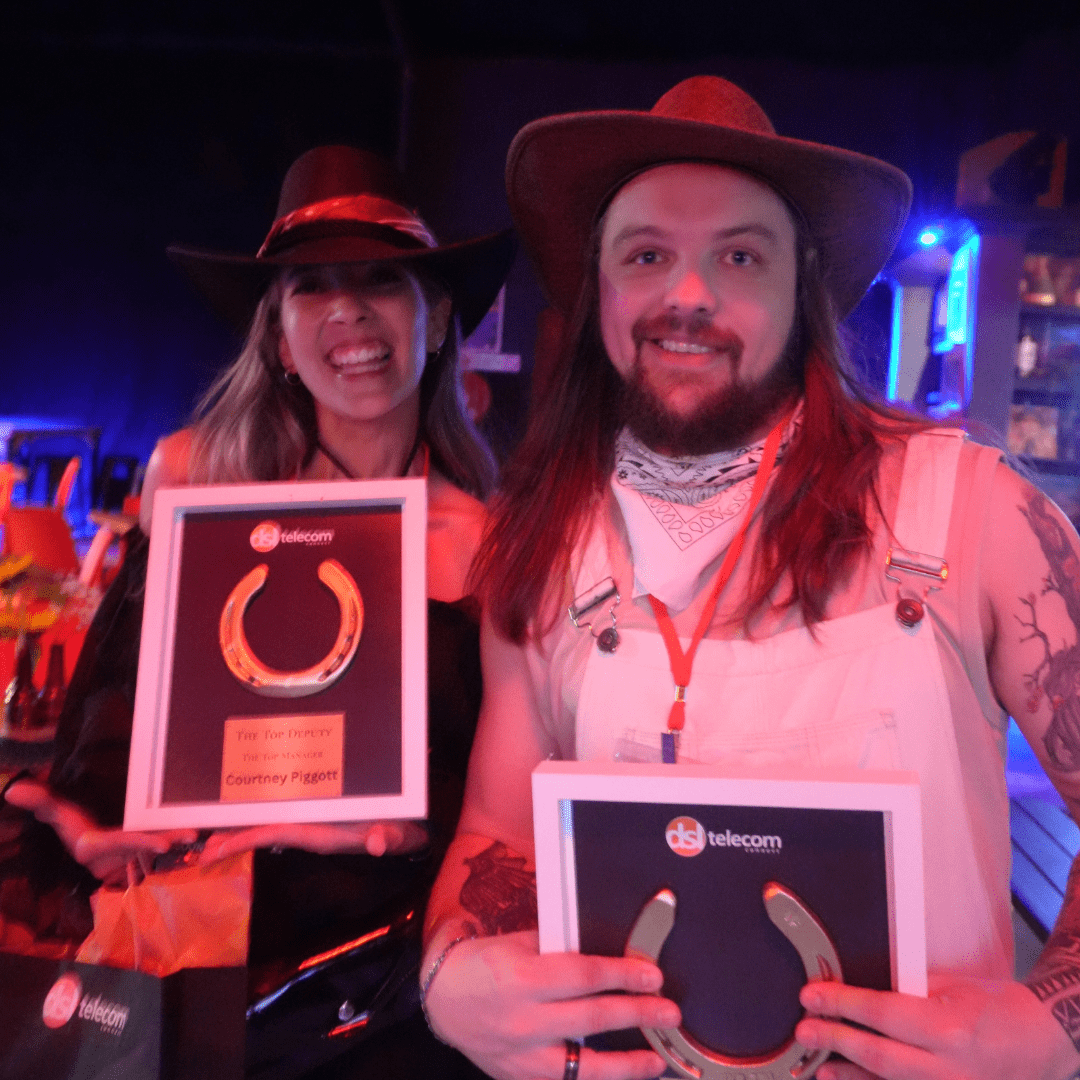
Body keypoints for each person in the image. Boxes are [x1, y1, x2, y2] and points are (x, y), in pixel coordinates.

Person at [418, 76, 1080, 1080]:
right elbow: (498, 830)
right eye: (647, 255)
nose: (688, 295)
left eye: (739, 255)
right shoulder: (544, 550)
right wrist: (451, 974)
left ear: (799, 285)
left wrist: (1049, 1029)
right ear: (599, 289)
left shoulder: (972, 510)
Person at [2, 144, 514, 1079]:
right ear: (279, 337)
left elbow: (500, 799)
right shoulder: (195, 487)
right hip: (201, 945)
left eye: (381, 280)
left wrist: (407, 831)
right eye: (312, 287)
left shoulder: (489, 544)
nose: (348, 310)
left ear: (438, 318)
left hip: (380, 975)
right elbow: (115, 720)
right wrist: (92, 825)